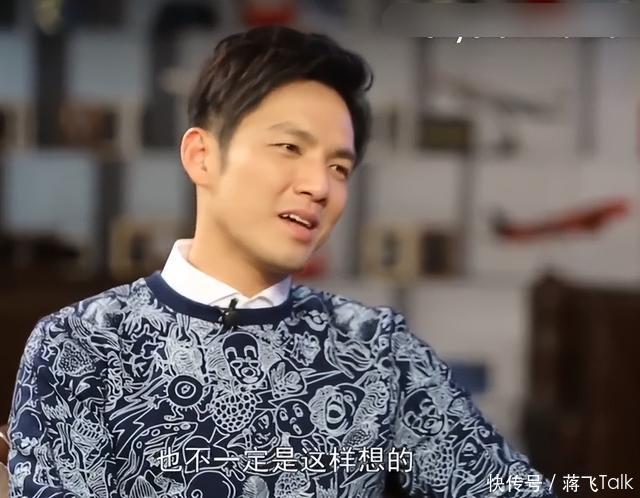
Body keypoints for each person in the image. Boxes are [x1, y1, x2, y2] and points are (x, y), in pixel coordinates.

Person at [9, 26, 556, 498]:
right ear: (202, 156)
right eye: (290, 148)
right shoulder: (81, 345)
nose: (319, 186)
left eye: (339, 168)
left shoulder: (376, 349)